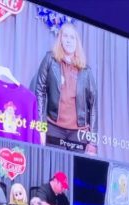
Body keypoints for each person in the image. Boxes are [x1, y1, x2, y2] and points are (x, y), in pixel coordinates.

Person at [32, 22, 97, 155]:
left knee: (75, 167)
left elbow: (93, 105)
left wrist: (93, 140)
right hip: (54, 127)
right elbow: (39, 91)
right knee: (54, 167)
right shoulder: (50, 59)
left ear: (77, 42)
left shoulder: (86, 70)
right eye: (65, 36)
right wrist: (40, 127)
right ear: (60, 39)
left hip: (79, 132)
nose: (68, 40)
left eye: (72, 37)